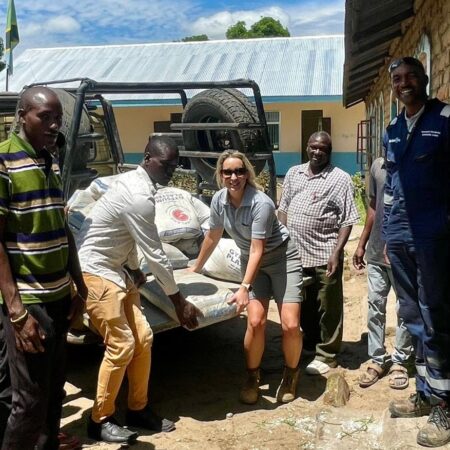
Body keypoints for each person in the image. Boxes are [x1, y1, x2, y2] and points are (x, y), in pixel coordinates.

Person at [77, 136, 202, 445]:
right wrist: (178, 302)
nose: (171, 170)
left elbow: (129, 236)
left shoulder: (141, 184)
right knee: (121, 344)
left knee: (143, 339)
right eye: (165, 164)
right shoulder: (137, 195)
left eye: (175, 164)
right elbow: (156, 253)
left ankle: (138, 409)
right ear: (147, 158)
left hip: (119, 269)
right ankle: (100, 419)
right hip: (95, 270)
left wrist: (133, 268)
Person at [0, 87, 87, 449]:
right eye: (44, 117)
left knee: (53, 392)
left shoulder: (47, 159)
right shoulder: (4, 162)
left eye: (57, 119)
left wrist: (79, 287)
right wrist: (17, 312)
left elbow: (61, 227)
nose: (53, 125)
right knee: (28, 400)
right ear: (22, 115)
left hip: (58, 296)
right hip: (29, 299)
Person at [189, 150, 303, 405]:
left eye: (239, 171)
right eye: (227, 172)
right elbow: (213, 235)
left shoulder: (261, 203)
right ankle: (252, 377)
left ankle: (291, 375)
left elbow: (257, 248)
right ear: (220, 175)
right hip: (252, 263)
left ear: (247, 174)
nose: (233, 177)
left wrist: (243, 287)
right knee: (255, 321)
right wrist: (195, 268)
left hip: (282, 259)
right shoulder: (219, 200)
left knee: (290, 325)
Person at [383, 56, 450, 448]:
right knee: (412, 317)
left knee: (437, 317)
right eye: (397, 79)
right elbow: (391, 186)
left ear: (424, 79)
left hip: (435, 238)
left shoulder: (444, 119)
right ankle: (425, 393)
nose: (403, 83)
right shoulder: (392, 128)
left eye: (410, 77)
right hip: (401, 238)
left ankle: (445, 404)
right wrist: (390, 235)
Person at [279, 131, 359, 375]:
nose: (317, 152)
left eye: (322, 149)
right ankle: (311, 344)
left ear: (330, 151)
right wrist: (283, 236)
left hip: (325, 254)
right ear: (306, 147)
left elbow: (347, 220)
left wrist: (337, 252)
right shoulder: (294, 173)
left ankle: (327, 354)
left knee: (328, 306)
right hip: (295, 255)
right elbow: (283, 208)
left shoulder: (340, 178)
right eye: (313, 147)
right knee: (303, 303)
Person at [353, 155, 412, 389]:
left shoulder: (413, 167)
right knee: (375, 305)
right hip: (376, 253)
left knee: (404, 308)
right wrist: (361, 244)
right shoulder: (378, 167)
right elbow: (373, 207)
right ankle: (377, 358)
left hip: (402, 254)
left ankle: (400, 361)